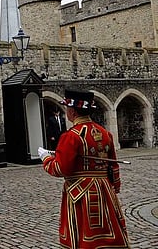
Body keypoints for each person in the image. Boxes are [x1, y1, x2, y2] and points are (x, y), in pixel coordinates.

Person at [38, 89, 130, 249]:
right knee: (108, 233)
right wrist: (114, 187)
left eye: (67, 108)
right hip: (105, 190)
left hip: (81, 193)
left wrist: (46, 158)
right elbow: (113, 166)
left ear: (72, 111)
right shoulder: (105, 133)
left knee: (83, 235)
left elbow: (60, 168)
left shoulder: (71, 136)